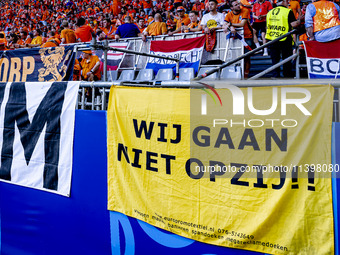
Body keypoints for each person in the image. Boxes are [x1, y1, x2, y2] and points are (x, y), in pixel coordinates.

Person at [265, 0, 301, 78]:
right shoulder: (287, 11)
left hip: (272, 39)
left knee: (274, 59)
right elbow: (294, 24)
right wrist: (300, 20)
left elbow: (267, 26)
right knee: (286, 58)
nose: (288, 2)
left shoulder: (270, 12)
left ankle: (275, 75)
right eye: (287, 1)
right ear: (284, 1)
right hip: (285, 38)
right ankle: (287, 75)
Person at [224, 0, 254, 78]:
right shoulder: (229, 14)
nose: (238, 6)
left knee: (247, 57)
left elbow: (242, 24)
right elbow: (224, 24)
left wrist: (230, 24)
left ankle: (245, 76)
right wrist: (231, 26)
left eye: (238, 4)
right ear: (231, 8)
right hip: (236, 38)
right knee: (236, 57)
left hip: (247, 37)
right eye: (236, 5)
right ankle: (238, 75)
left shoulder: (245, 10)